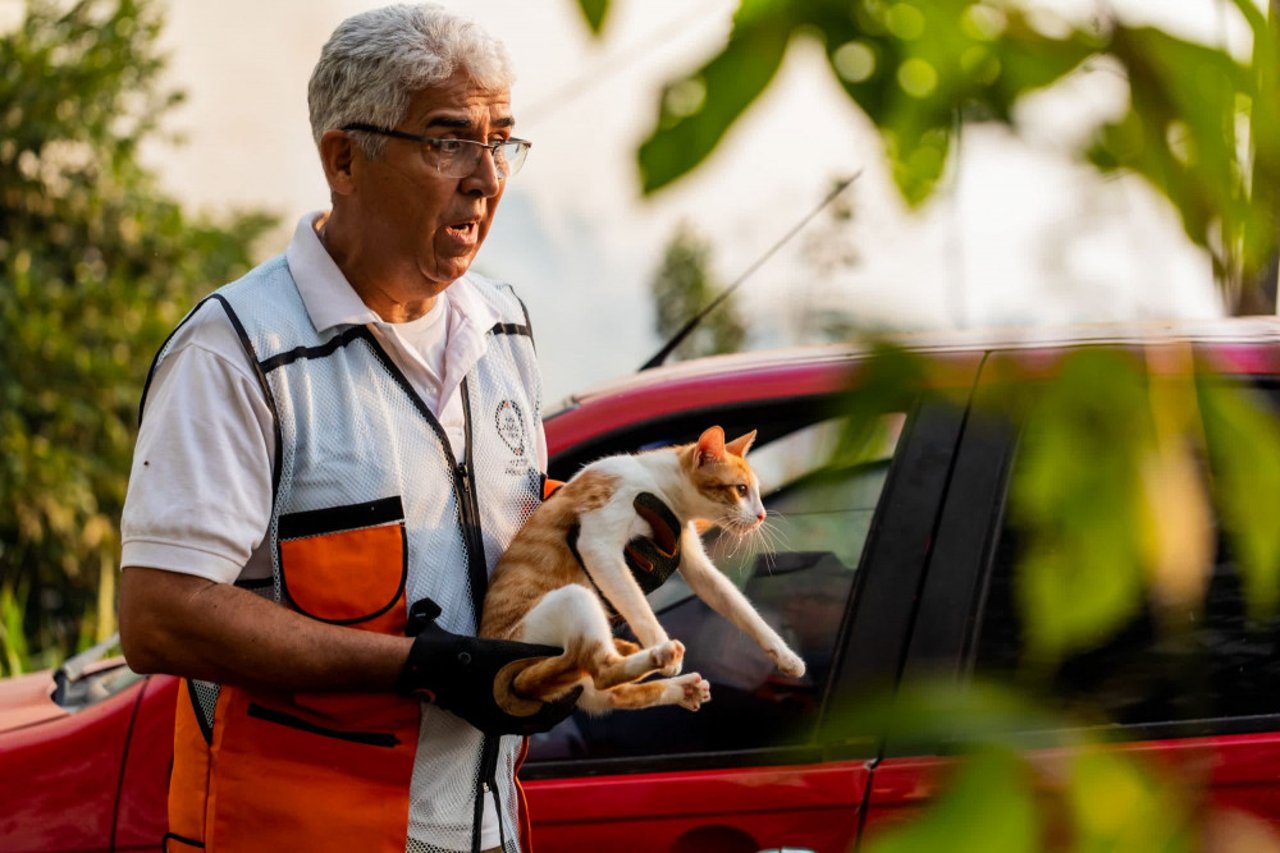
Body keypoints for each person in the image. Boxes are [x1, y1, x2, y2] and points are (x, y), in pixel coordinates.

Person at [117, 6, 576, 852]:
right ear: (344, 158)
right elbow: (158, 615)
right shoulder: (239, 351)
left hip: (485, 833)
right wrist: (419, 667)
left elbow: (496, 556)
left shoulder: (503, 325)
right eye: (449, 141)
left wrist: (603, 567)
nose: (486, 176)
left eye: (502, 140)